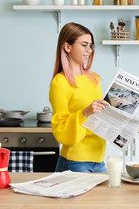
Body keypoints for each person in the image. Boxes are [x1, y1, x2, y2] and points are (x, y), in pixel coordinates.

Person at [49, 22, 109, 173]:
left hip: (99, 160)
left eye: (91, 46)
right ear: (67, 47)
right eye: (84, 45)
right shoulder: (60, 83)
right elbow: (60, 131)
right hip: (75, 162)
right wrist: (85, 112)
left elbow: (99, 118)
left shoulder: (94, 78)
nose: (89, 50)